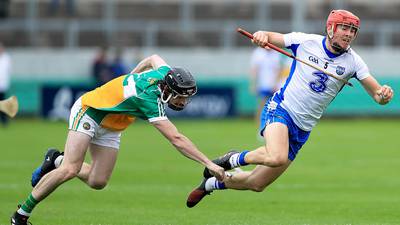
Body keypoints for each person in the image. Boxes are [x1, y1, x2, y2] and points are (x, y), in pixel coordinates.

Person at [186, 9, 395, 208]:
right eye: (344, 28)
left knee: (256, 184)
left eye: (353, 30)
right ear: (331, 28)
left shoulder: (354, 62)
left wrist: (384, 95)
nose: (349, 34)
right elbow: (268, 36)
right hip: (282, 109)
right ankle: (232, 158)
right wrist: (260, 36)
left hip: (303, 128)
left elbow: (377, 94)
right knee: (276, 157)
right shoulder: (305, 41)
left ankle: (210, 184)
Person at [10, 54, 225, 225]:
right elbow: (176, 139)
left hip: (114, 124)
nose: (183, 102)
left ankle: (55, 159)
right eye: (181, 96)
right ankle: (20, 215)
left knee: (98, 181)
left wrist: (130, 76)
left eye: (187, 97)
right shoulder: (147, 98)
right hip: (90, 112)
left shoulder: (165, 73)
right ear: (168, 89)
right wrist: (208, 163)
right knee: (70, 169)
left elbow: (153, 57)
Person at [250, 48, 285, 123]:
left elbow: (279, 70)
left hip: (275, 86)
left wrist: (276, 83)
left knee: (276, 107)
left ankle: (274, 124)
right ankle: (260, 126)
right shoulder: (258, 53)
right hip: (263, 84)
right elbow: (254, 70)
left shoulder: (276, 53)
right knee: (262, 105)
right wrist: (253, 84)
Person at [0, 42, 12, 126]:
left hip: (3, 85)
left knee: (3, 104)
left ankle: (4, 121)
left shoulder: (7, 58)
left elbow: (8, 71)